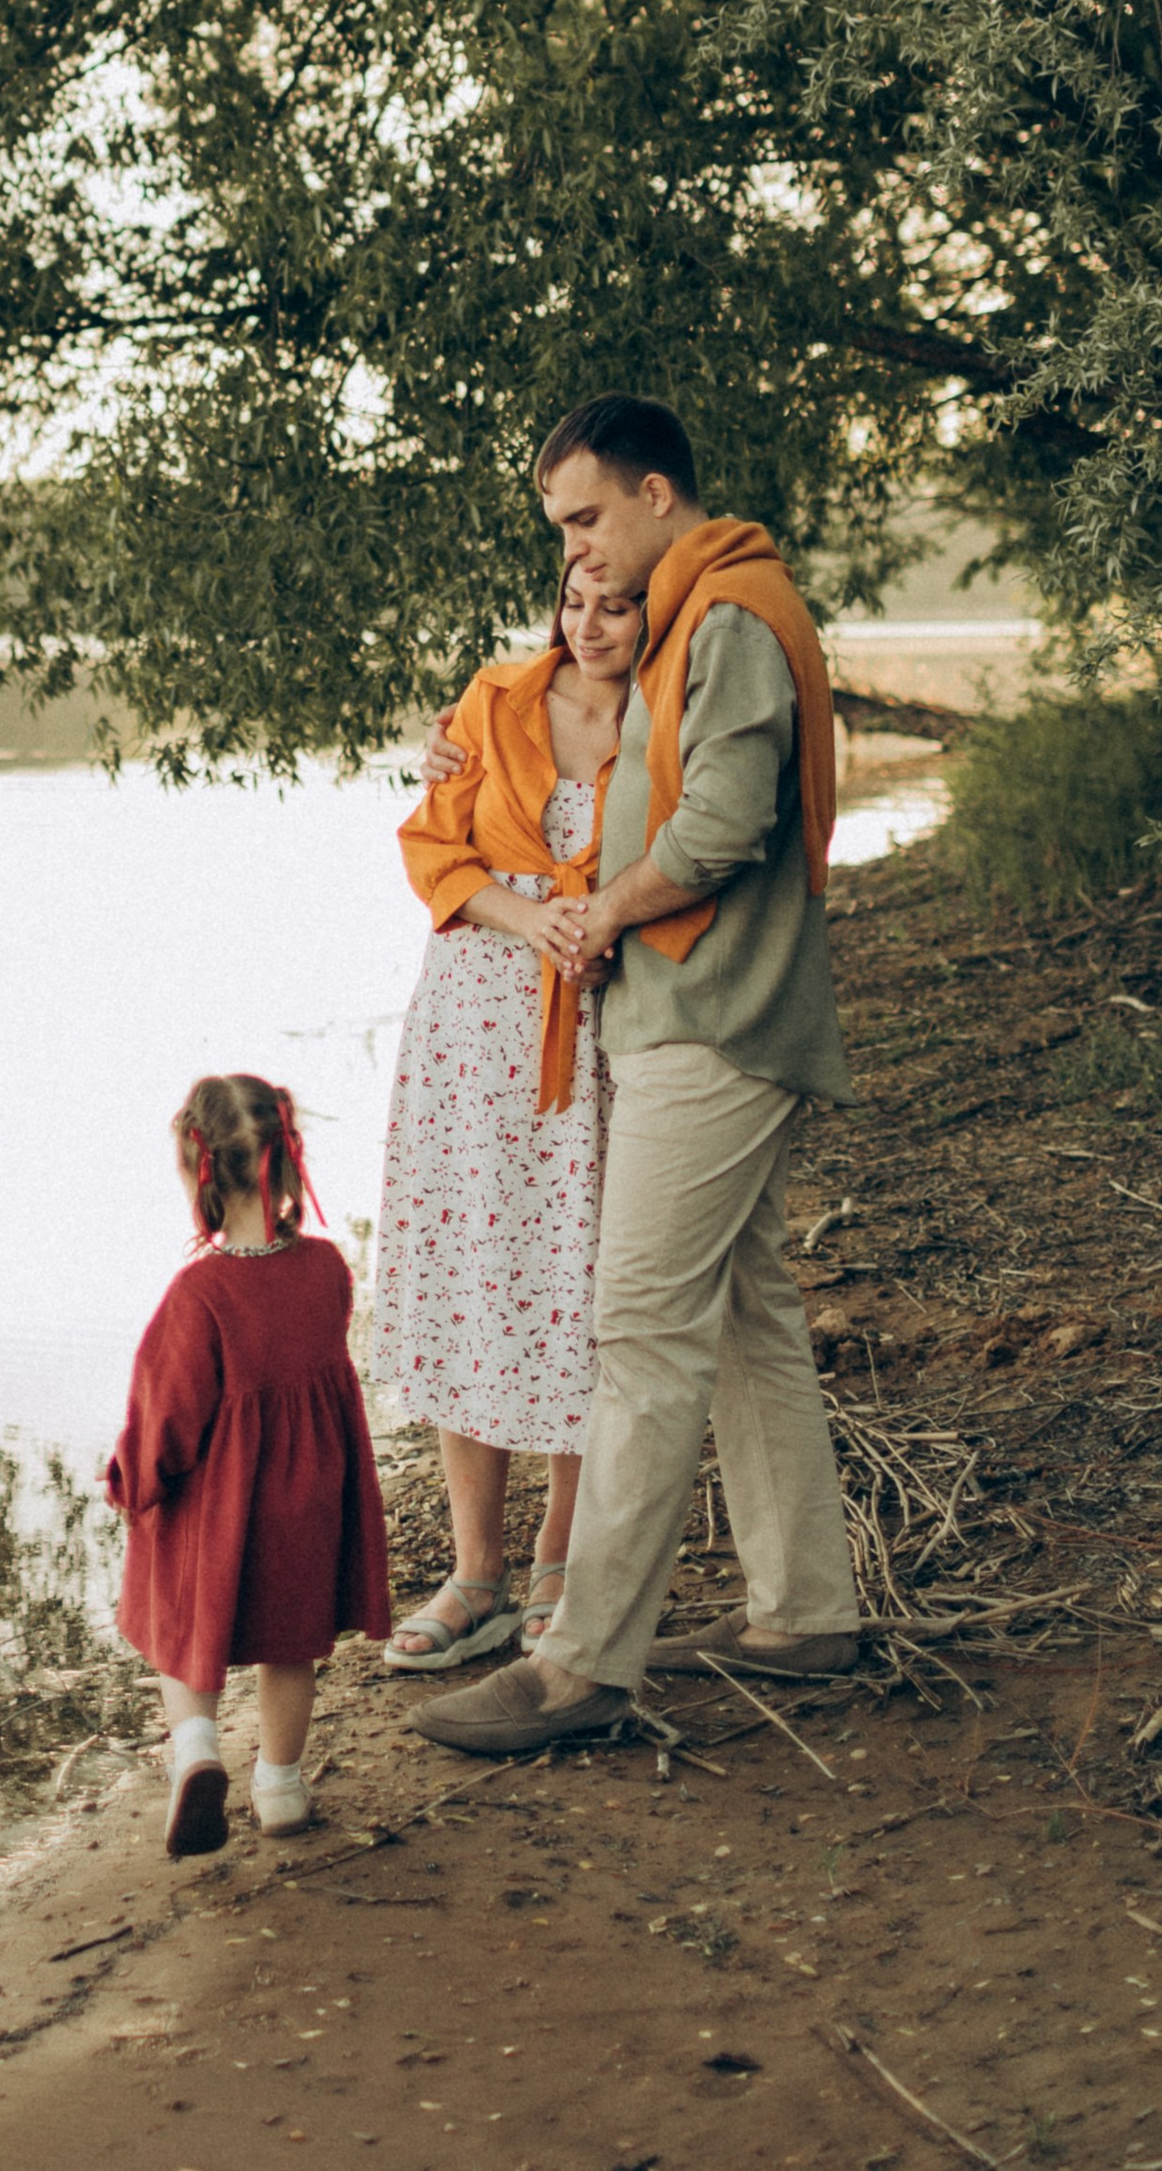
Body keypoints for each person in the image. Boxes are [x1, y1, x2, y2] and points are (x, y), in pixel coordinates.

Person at [407, 394, 863, 1758]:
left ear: (661, 494)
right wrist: (458, 743)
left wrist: (600, 918)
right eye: (563, 533)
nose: (582, 556)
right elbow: (592, 754)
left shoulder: (728, 620)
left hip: (711, 1018)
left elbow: (721, 825)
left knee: (641, 1330)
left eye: (589, 518)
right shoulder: (695, 620)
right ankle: (803, 1611)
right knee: (744, 1318)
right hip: (704, 1012)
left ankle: (582, 1661)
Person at [373, 561, 642, 1672]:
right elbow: (433, 849)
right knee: (467, 1272)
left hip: (603, 1028)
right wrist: (525, 921)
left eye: (616, 603)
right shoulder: (493, 703)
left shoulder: (673, 715)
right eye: (575, 601)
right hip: (474, 1025)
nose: (589, 624)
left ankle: (560, 1560)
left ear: (652, 612)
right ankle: (474, 1571)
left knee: (581, 1281)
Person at [106, 1071, 392, 1854]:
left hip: (223, 1514)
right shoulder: (328, 1270)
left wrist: (134, 1483)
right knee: (290, 1646)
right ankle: (281, 1787)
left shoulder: (200, 1295)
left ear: (199, 1175)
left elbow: (167, 1419)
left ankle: (196, 1750)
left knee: (176, 1611)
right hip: (309, 1504)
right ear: (288, 1159)